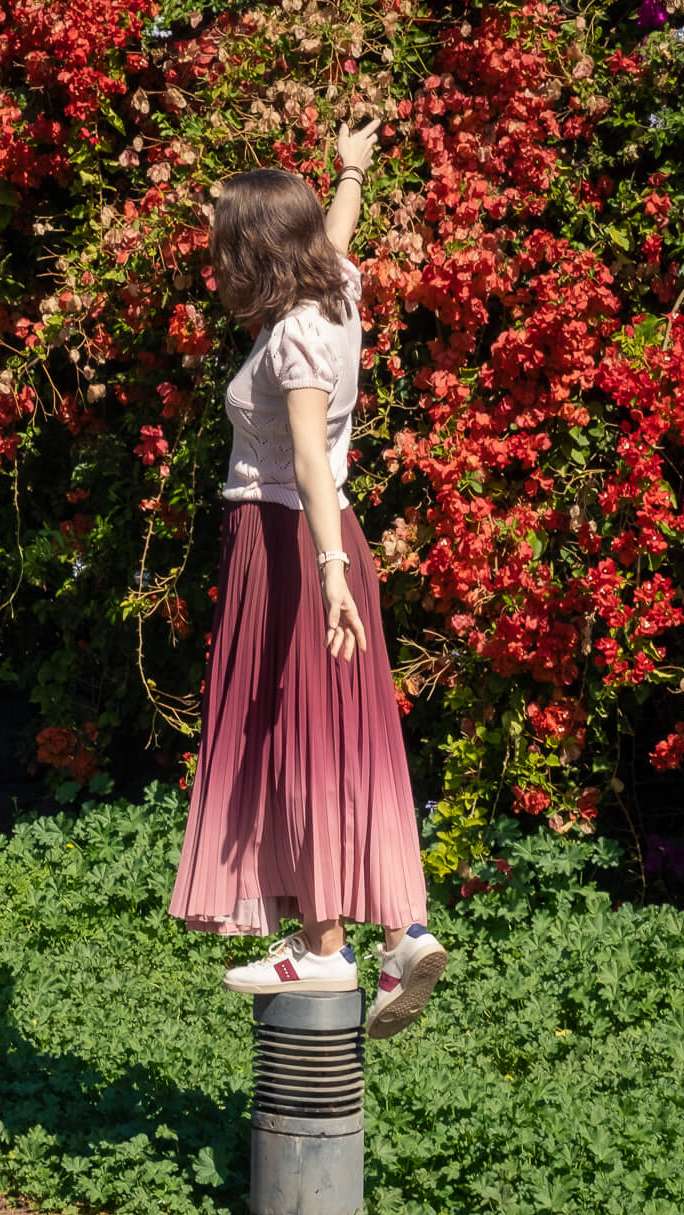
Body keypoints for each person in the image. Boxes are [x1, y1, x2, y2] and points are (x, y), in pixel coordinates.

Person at [168, 119, 450, 1038]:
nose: (215, 263)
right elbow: (338, 240)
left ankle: (324, 945)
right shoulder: (336, 294)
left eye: (222, 246)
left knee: (295, 738)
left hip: (290, 545)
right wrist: (353, 169)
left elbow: (308, 463)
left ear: (255, 249)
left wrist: (328, 576)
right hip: (315, 548)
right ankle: (401, 935)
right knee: (333, 735)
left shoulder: (294, 338)